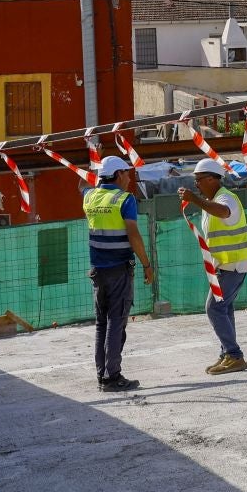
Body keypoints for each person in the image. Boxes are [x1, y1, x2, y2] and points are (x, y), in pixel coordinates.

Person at [85, 154, 156, 391]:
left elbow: (82, 186)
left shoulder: (90, 197)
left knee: (101, 324)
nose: (129, 178)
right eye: (126, 173)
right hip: (119, 270)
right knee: (116, 323)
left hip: (98, 271)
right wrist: (146, 265)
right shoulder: (125, 199)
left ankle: (102, 375)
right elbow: (133, 234)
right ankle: (112, 377)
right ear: (117, 175)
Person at [178, 158, 247, 375]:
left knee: (214, 308)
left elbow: (223, 212)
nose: (196, 185)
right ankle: (227, 354)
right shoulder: (213, 201)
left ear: (212, 179)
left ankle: (234, 355)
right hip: (226, 264)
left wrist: (195, 200)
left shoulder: (226, 199)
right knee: (224, 308)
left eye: (199, 180)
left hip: (233, 264)